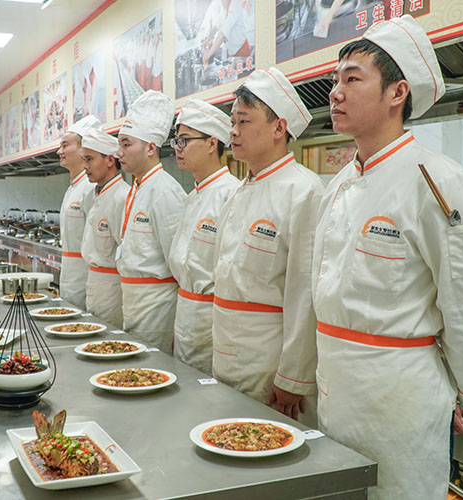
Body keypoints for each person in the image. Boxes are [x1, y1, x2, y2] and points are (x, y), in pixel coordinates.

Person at [312, 15, 463, 500]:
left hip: (399, 400)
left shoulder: (439, 181)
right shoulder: (339, 185)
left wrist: (462, 392)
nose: (335, 92)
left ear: (397, 93)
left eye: (352, 79)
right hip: (334, 388)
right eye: (335, 80)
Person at [212, 67, 325, 425]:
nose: (233, 131)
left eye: (244, 121)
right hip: (227, 348)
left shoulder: (303, 190)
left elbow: (305, 295)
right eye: (232, 122)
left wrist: (293, 376)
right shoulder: (239, 190)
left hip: (268, 360)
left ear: (279, 128)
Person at [169, 99, 240, 375]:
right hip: (185, 314)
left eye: (185, 141)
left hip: (211, 320)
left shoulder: (231, 193)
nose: (178, 148)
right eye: (177, 141)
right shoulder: (192, 197)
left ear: (212, 143)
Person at [116, 90, 186, 354]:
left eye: (126, 144)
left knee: (151, 367)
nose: (119, 152)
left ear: (150, 148)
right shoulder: (138, 186)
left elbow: (177, 263)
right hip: (135, 301)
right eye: (119, 144)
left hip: (157, 307)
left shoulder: (165, 191)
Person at [80, 127, 130, 328]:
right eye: (84, 159)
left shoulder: (122, 196)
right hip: (94, 282)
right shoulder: (95, 194)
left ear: (110, 160)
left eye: (90, 159)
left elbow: (125, 251)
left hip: (112, 288)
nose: (85, 166)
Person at [57, 115, 101, 309]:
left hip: (85, 278)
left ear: (84, 149)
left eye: (65, 145)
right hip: (70, 274)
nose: (59, 151)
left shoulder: (90, 187)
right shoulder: (72, 188)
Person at [202, 0, 250, 65]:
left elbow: (222, 34)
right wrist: (208, 39)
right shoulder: (225, 10)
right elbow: (216, 26)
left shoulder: (235, 6)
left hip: (241, 50)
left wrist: (209, 53)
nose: (221, 2)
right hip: (233, 51)